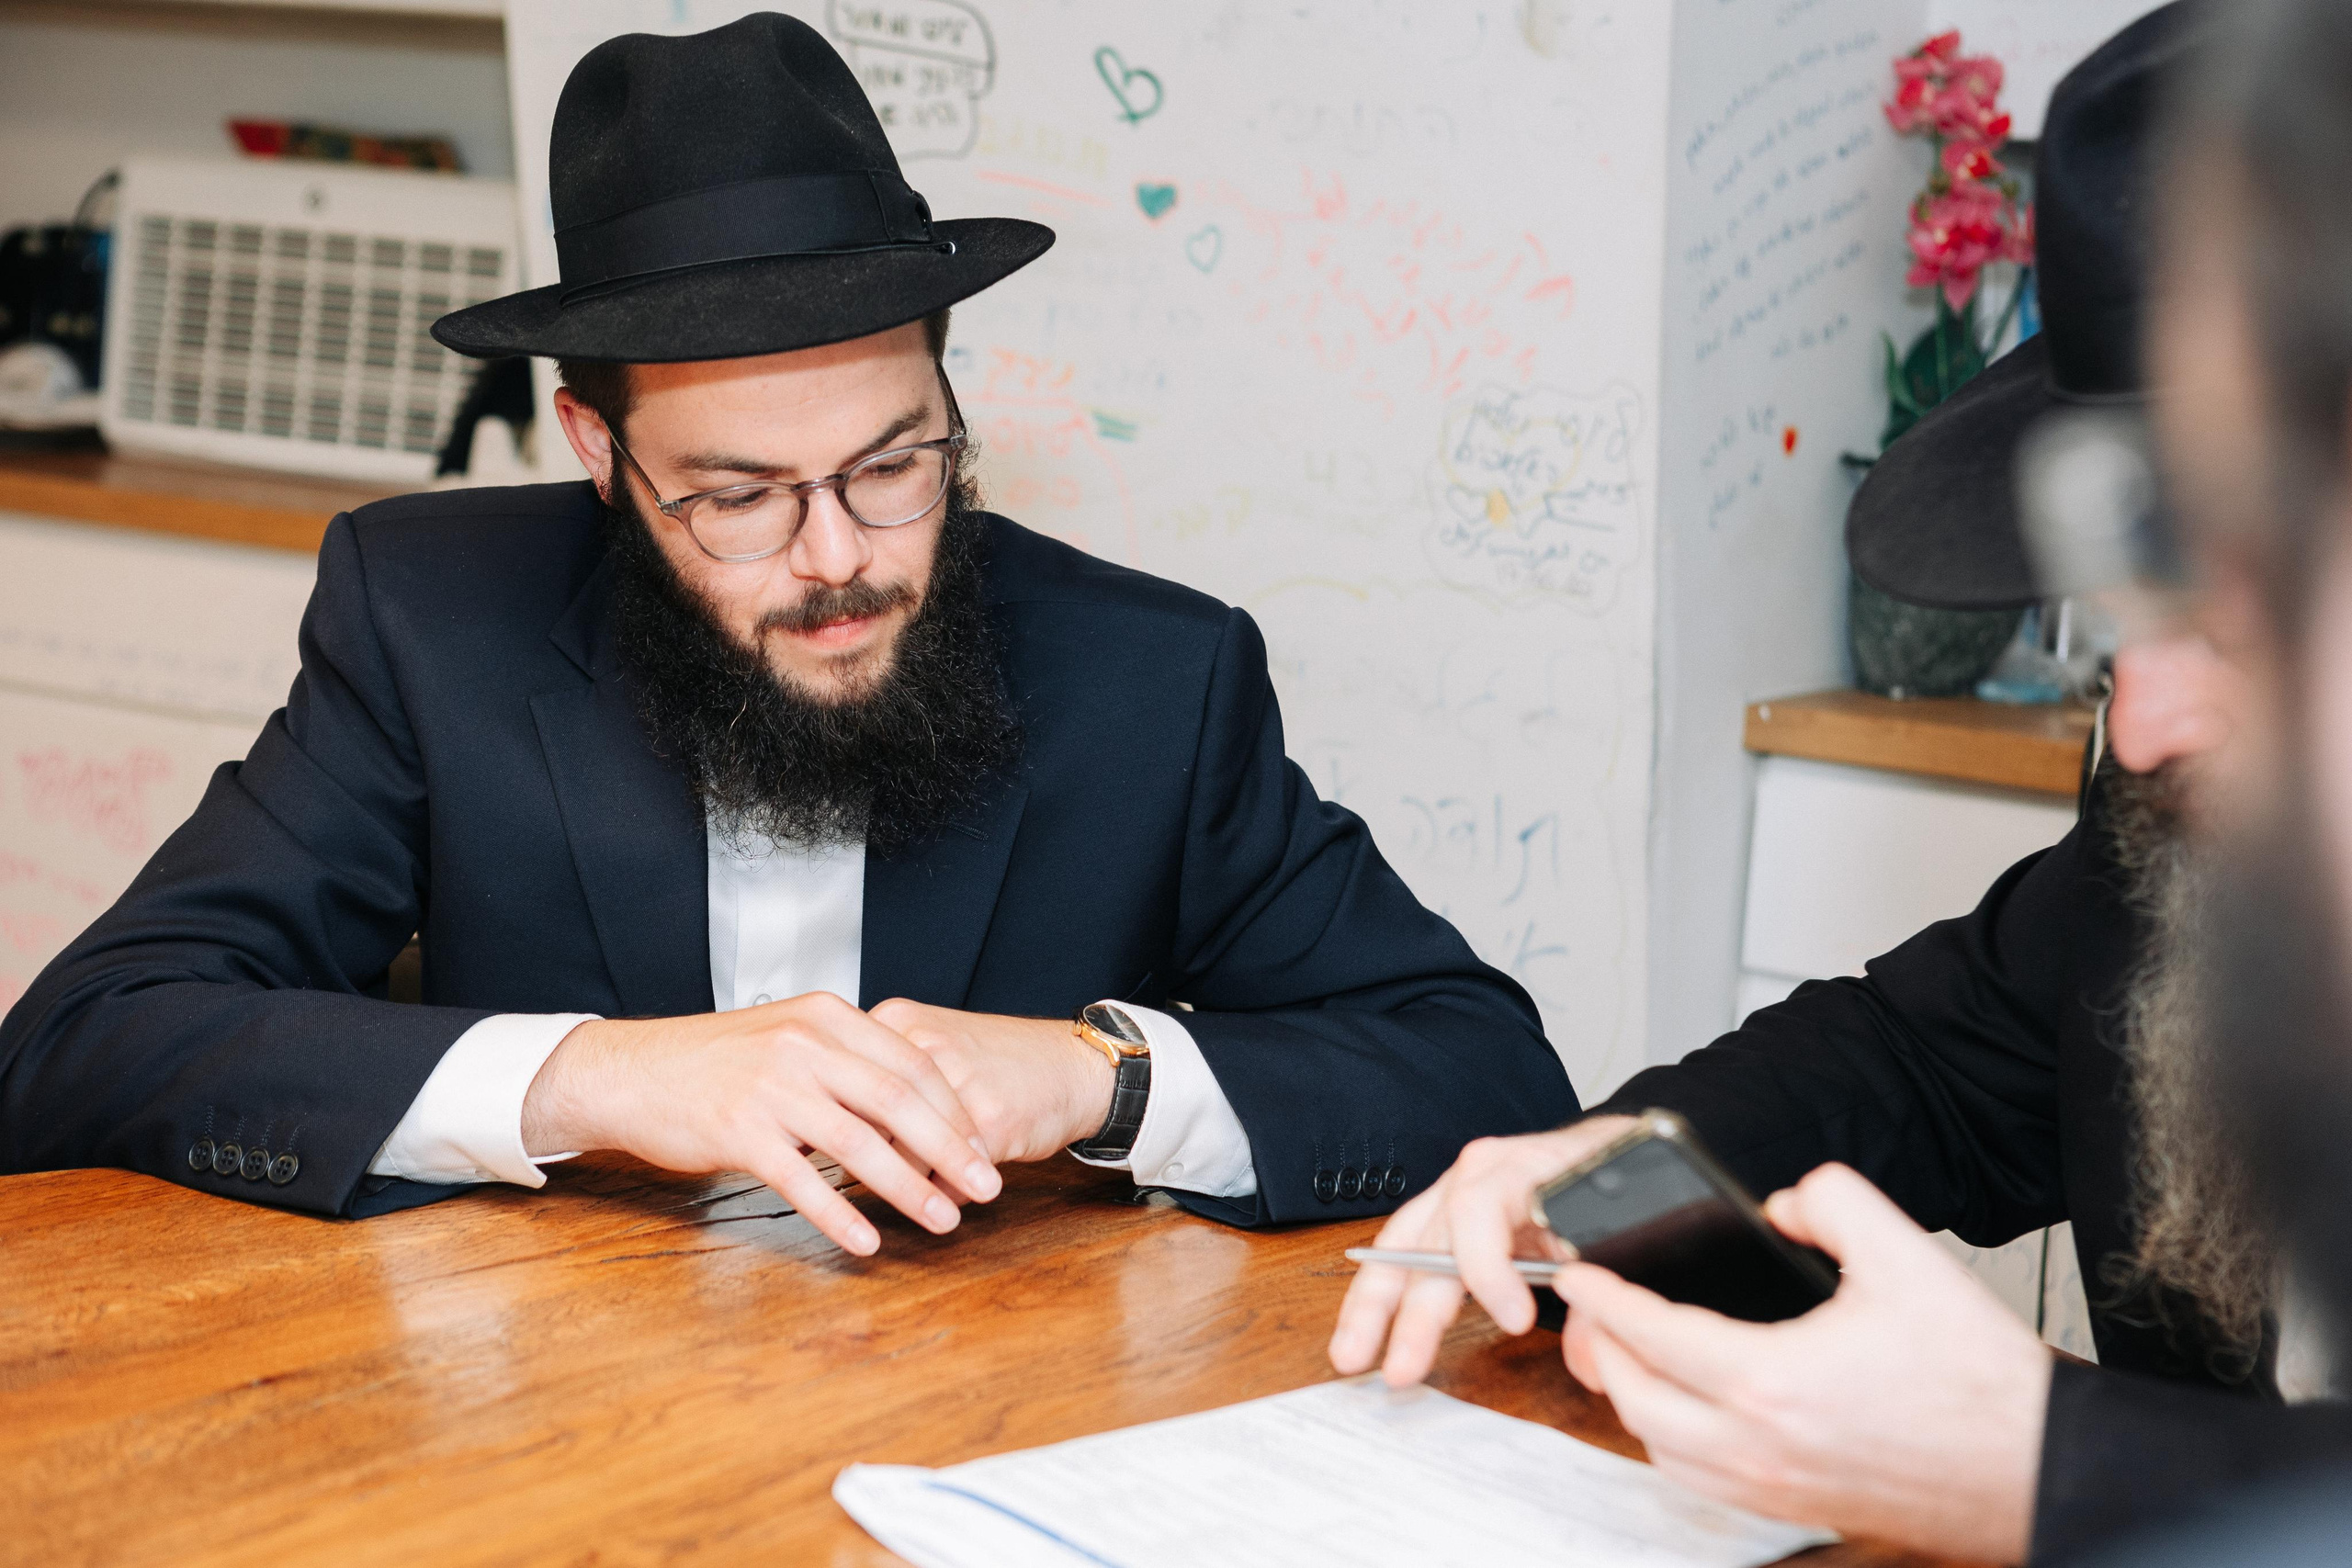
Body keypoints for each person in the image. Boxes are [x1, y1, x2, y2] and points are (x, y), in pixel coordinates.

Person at [0, 15, 1577, 1251]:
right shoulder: (431, 624)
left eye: (895, 464)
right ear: (598, 456)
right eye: (739, 498)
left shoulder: (1154, 677)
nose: (841, 560)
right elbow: (83, 1040)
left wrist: (1106, 1076)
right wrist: (593, 1078)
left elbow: (1486, 1071)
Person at [1333, 6, 2351, 1562]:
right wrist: (1605, 1173)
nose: (2137, 726)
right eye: (2137, 606)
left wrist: (2045, 1464)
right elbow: (1933, 1061)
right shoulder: (2216, 827)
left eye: (2243, 610)